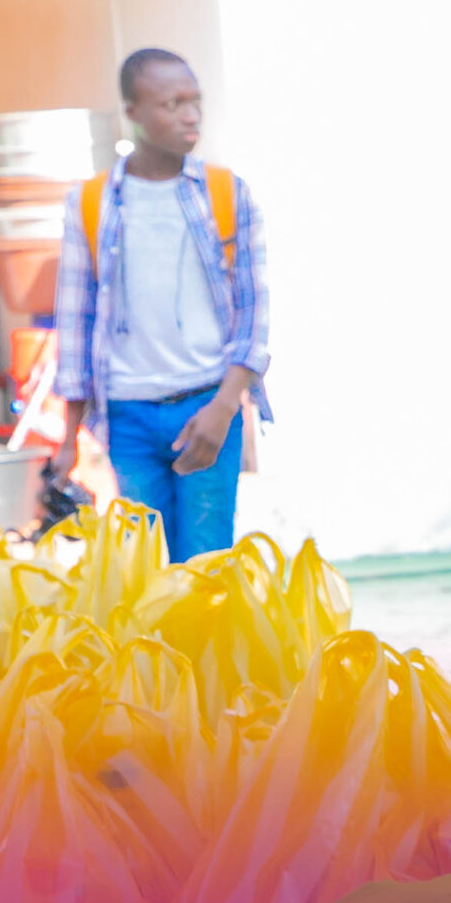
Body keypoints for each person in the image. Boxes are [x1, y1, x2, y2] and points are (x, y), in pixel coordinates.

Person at [52, 48, 271, 561]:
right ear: (133, 111)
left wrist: (224, 407)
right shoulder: (91, 202)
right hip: (125, 417)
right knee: (145, 568)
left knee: (206, 566)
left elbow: (254, 314)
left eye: (195, 102)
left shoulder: (227, 194)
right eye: (173, 104)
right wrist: (67, 440)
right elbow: (75, 321)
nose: (191, 116)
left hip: (206, 405)